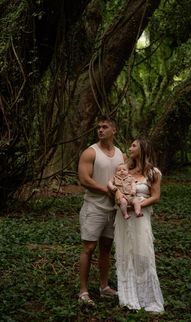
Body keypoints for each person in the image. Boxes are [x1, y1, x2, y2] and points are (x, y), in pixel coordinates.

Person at [114, 137, 164, 313]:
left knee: (143, 253)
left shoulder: (153, 173)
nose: (130, 148)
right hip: (124, 217)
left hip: (140, 217)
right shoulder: (124, 170)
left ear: (142, 149)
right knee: (125, 252)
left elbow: (155, 196)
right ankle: (128, 297)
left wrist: (138, 204)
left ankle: (147, 297)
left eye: (133, 145)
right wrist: (120, 198)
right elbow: (115, 188)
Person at [78, 115, 124, 306]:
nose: (100, 130)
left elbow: (125, 178)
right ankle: (83, 292)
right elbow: (85, 180)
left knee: (106, 248)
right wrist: (109, 191)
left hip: (113, 210)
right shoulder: (90, 152)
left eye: (105, 127)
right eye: (98, 127)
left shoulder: (121, 154)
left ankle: (104, 287)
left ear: (114, 131)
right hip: (94, 207)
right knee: (89, 248)